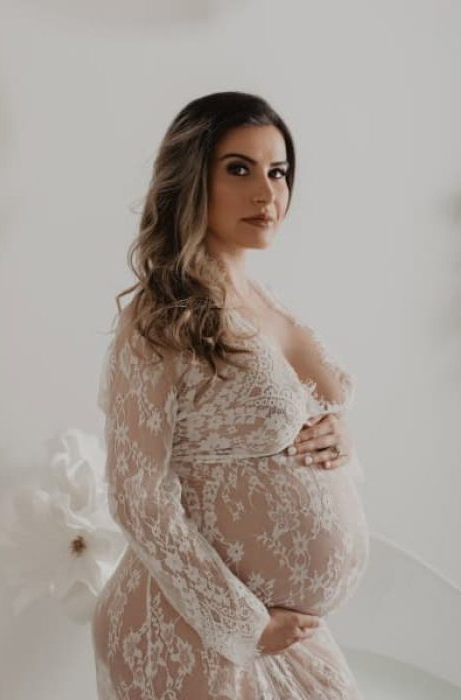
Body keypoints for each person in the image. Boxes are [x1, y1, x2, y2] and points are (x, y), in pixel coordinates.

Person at [91, 92, 369, 698]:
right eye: (238, 169)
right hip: (196, 627)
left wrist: (339, 442)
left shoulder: (270, 304)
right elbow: (138, 495)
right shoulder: (164, 317)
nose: (266, 193)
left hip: (286, 631)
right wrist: (242, 623)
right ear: (193, 177)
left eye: (278, 172)